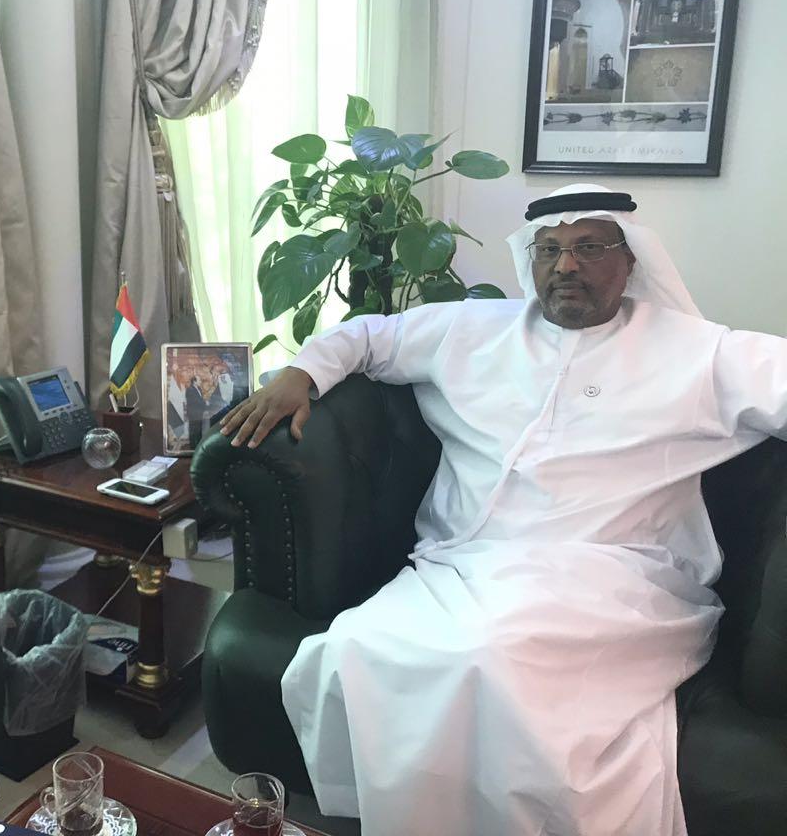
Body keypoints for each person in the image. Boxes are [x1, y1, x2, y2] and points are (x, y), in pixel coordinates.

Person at [219, 184, 787, 836]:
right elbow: (369, 335)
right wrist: (303, 374)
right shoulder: (474, 329)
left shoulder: (700, 351)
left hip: (615, 578)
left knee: (489, 657)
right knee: (354, 647)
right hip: (463, 566)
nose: (566, 265)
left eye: (589, 248)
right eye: (550, 249)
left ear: (629, 260)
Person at [185, 374, 207, 448]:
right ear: (194, 381)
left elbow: (200, 400)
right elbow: (195, 401)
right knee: (193, 430)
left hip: (199, 413)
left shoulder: (199, 389)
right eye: (199, 380)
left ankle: (198, 445)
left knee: (199, 430)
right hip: (193, 414)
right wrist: (205, 403)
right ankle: (192, 447)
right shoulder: (189, 390)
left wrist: (204, 404)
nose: (200, 381)